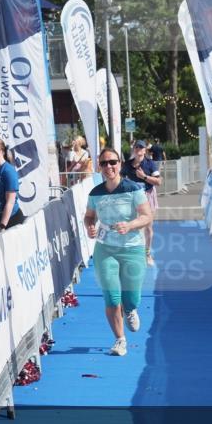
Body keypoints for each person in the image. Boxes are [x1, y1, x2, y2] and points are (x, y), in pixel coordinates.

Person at [84, 146, 154, 357]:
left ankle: (130, 308)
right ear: (99, 167)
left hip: (132, 249)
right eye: (104, 163)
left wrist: (130, 225)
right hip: (105, 249)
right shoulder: (95, 193)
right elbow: (89, 216)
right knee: (112, 297)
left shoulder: (133, 189)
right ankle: (119, 340)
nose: (109, 167)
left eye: (112, 162)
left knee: (131, 298)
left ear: (119, 164)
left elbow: (147, 216)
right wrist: (90, 225)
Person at [121, 140, 161, 266]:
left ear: (145, 150)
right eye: (136, 147)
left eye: (141, 147)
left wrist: (144, 177)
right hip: (133, 198)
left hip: (148, 196)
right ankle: (132, 254)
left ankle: (147, 254)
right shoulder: (127, 165)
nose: (138, 149)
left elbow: (159, 182)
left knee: (148, 227)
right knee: (131, 225)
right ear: (134, 149)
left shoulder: (150, 164)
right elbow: (120, 179)